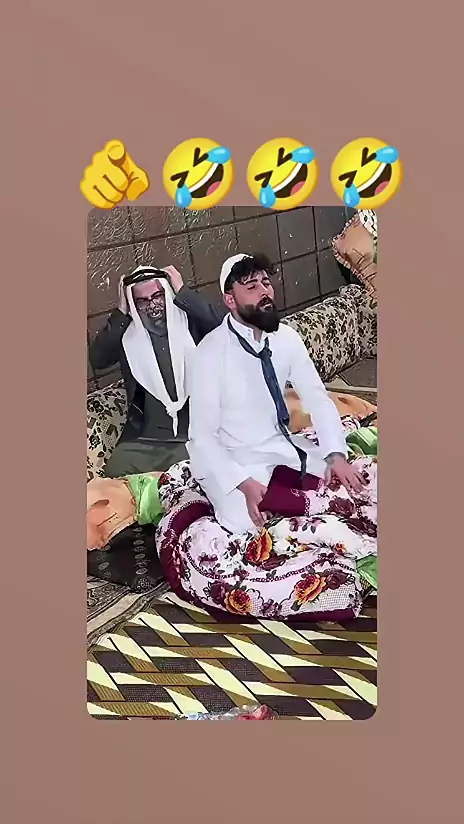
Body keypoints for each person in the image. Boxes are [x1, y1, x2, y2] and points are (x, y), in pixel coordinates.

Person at [187, 252, 367, 535]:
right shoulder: (209, 353)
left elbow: (317, 399)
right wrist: (243, 483)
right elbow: (202, 437)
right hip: (232, 457)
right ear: (230, 300)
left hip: (280, 445)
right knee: (248, 523)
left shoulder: (286, 337)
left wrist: (335, 455)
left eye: (266, 283)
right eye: (252, 287)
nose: (265, 292)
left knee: (349, 487)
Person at [89, 264, 224, 477]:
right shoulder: (129, 338)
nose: (152, 304)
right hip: (147, 442)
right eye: (142, 300)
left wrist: (182, 291)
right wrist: (121, 312)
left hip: (192, 435)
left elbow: (224, 329)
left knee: (201, 468)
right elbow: (98, 359)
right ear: (134, 304)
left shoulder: (191, 326)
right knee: (115, 473)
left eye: (157, 296)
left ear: (166, 293)